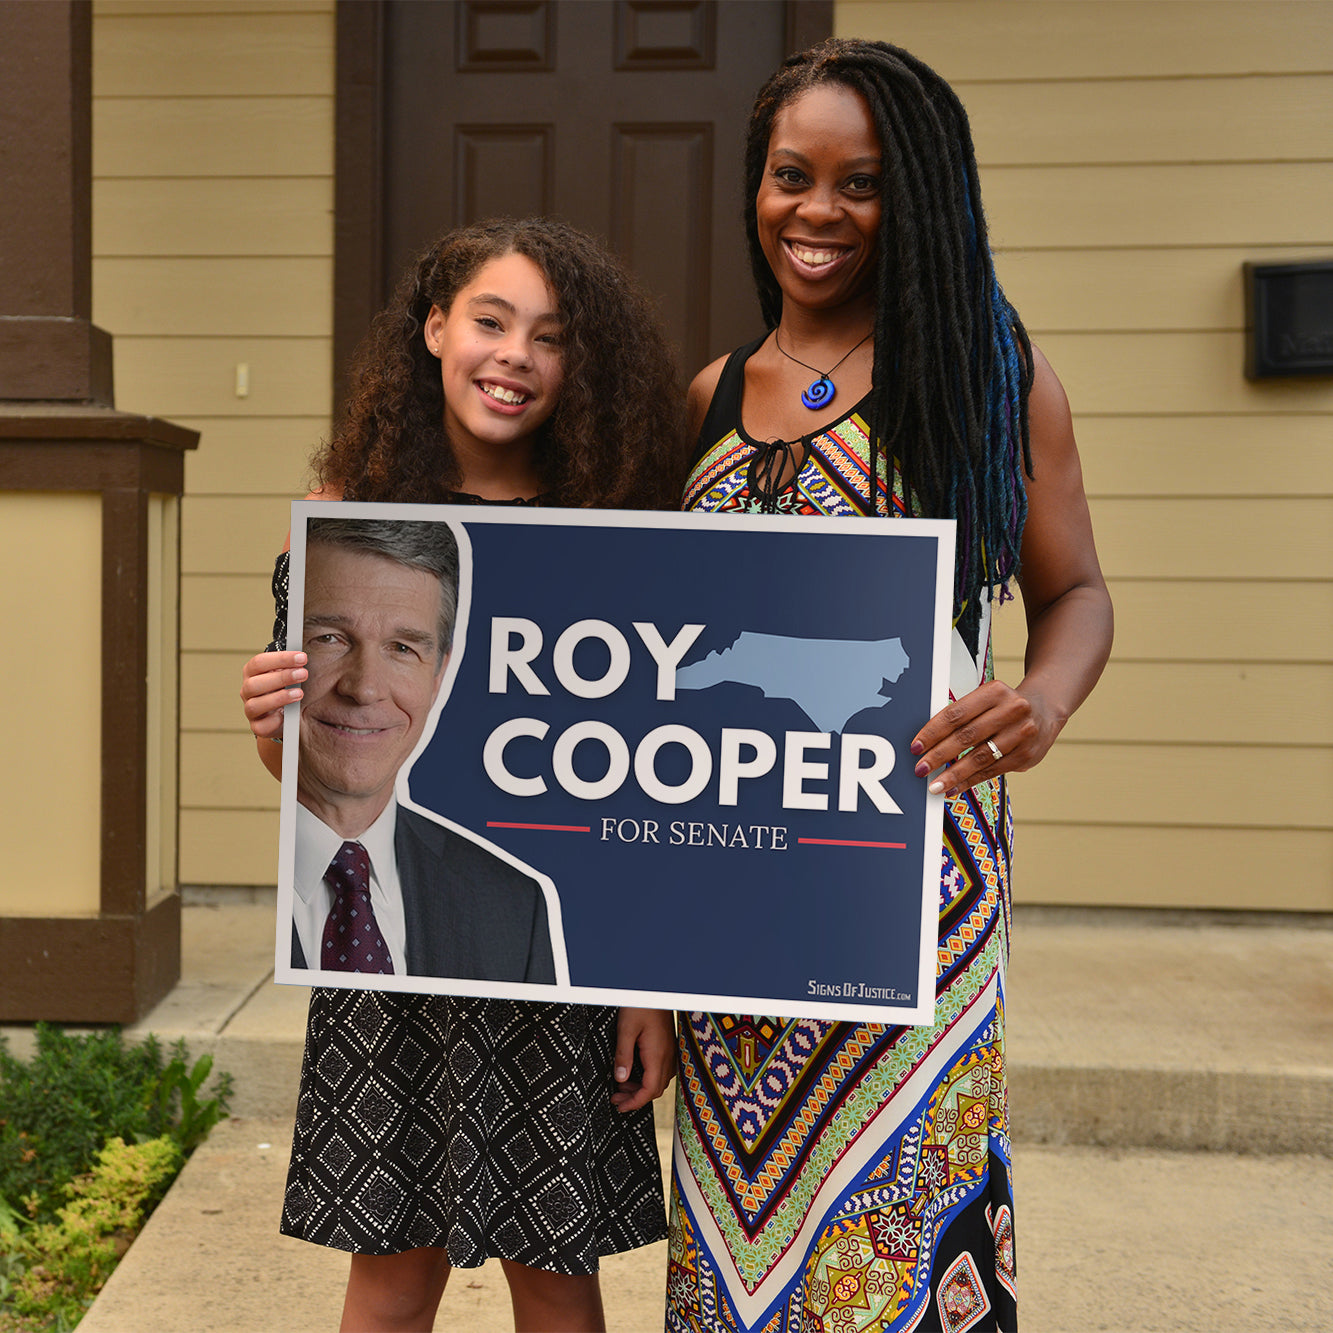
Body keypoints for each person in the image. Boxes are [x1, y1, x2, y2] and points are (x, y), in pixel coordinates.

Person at [667, 39, 1113, 1333]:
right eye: (789, 175)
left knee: (899, 1220)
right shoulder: (703, 401)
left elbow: (1077, 593)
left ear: (914, 196)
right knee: (736, 1243)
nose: (816, 211)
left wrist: (1043, 699)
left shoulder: (985, 383)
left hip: (915, 884)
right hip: (729, 891)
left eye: (859, 183)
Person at [240, 217, 683, 1333]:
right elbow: (320, 769)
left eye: (550, 334)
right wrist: (268, 727)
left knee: (554, 1275)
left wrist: (645, 985)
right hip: (391, 957)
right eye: (490, 320)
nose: (515, 354)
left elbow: (639, 792)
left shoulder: (613, 532)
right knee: (391, 1273)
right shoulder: (349, 523)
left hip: (554, 955)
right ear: (435, 328)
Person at [290, 516, 562, 985]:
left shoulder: (516, 907)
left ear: (439, 675)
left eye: (402, 648)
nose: (364, 688)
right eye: (329, 638)